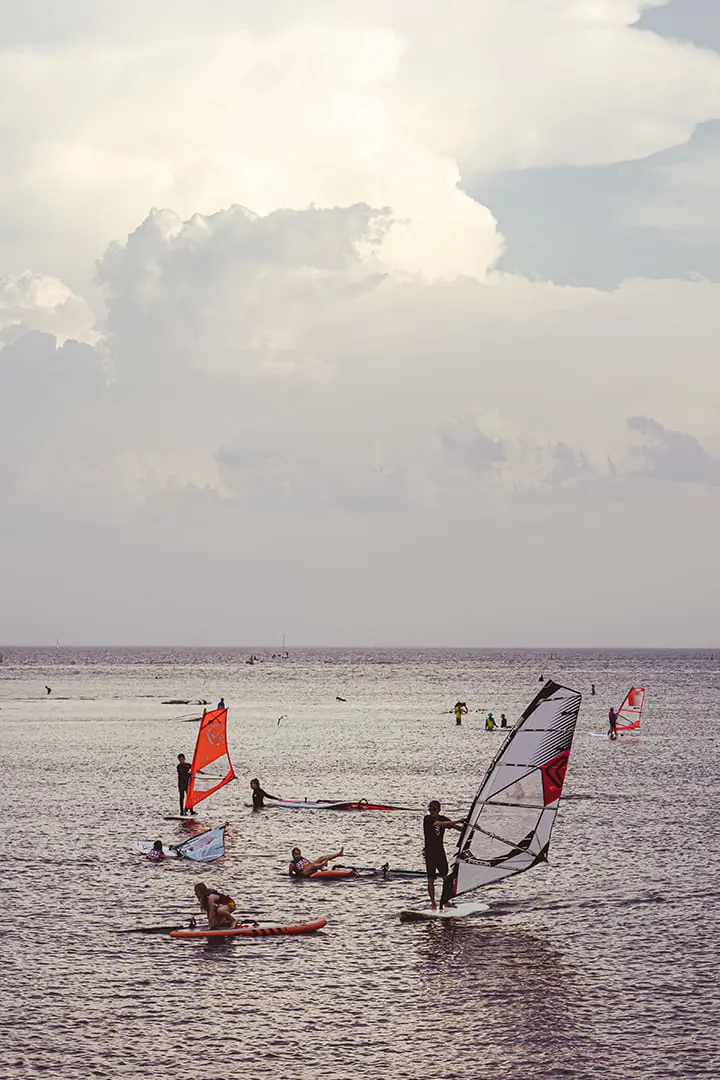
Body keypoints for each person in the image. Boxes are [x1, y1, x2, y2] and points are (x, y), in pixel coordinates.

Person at [423, 801, 464, 910]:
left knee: (445, 877)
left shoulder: (443, 818)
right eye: (430, 809)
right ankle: (433, 904)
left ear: (439, 810)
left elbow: (454, 826)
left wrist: (468, 829)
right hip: (429, 852)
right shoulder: (427, 819)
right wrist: (460, 820)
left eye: (434, 810)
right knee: (431, 879)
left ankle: (446, 901)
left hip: (440, 851)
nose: (431, 811)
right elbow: (441, 824)